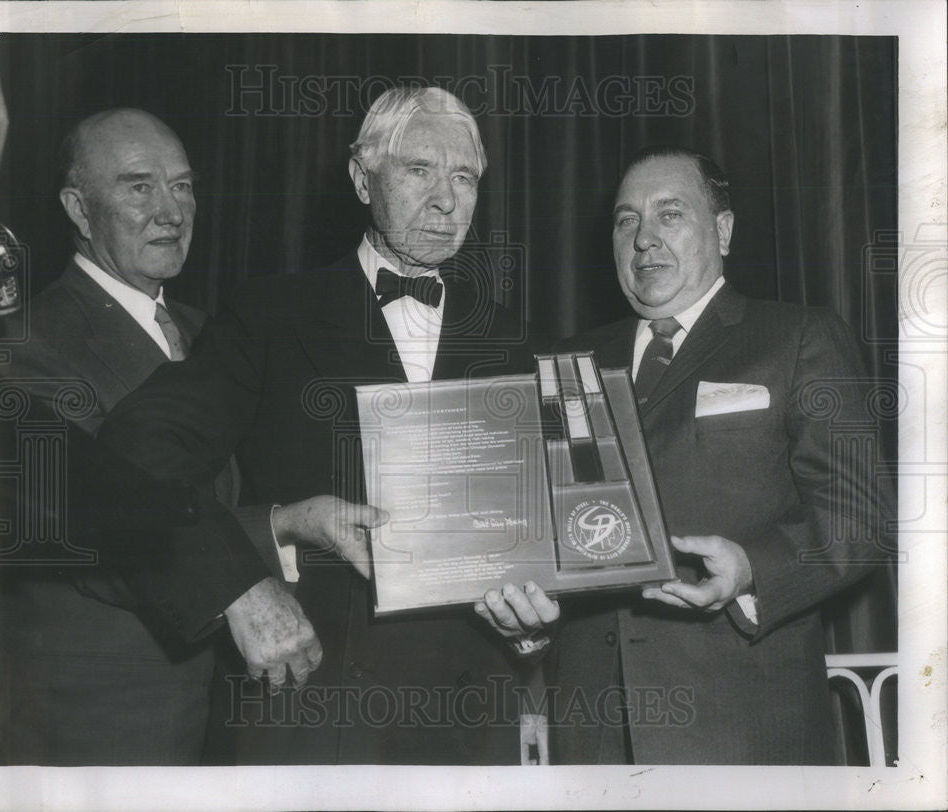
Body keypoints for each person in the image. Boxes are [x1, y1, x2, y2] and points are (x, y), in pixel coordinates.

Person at [98, 86, 543, 764]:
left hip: (469, 732)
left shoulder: (518, 342)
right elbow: (138, 450)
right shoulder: (270, 316)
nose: (447, 200)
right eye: (420, 170)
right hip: (313, 715)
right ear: (363, 179)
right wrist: (239, 585)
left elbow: (547, 549)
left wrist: (534, 629)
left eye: (465, 177)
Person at [478, 145, 892, 765]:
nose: (644, 239)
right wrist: (530, 622)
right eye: (626, 220)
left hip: (746, 727)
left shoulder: (799, 336)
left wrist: (753, 568)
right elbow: (540, 540)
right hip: (593, 733)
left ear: (721, 230)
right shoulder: (565, 364)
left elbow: (861, 516)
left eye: (669, 214)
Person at [0, 108, 367, 765]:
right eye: (139, 186)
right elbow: (97, 525)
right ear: (79, 210)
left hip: (222, 713)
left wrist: (286, 522)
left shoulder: (211, 332)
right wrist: (236, 588)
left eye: (183, 186)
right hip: (97, 726)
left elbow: (198, 510)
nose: (170, 210)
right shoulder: (24, 344)